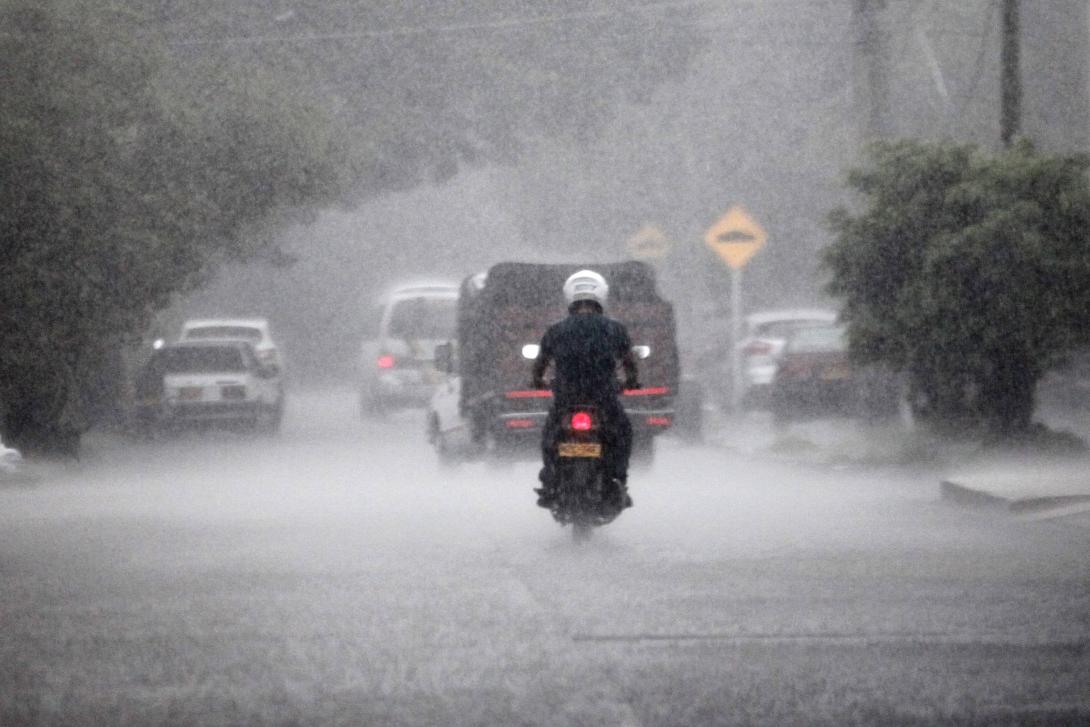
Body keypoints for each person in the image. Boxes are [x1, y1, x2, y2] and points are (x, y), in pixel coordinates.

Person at [531, 269, 639, 509]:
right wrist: (631, 381)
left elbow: (540, 365)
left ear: (570, 297)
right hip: (604, 399)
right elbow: (629, 363)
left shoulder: (556, 330)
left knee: (550, 436)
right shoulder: (614, 329)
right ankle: (618, 480)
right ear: (601, 296)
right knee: (622, 434)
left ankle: (550, 480)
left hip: (566, 400)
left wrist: (537, 381)